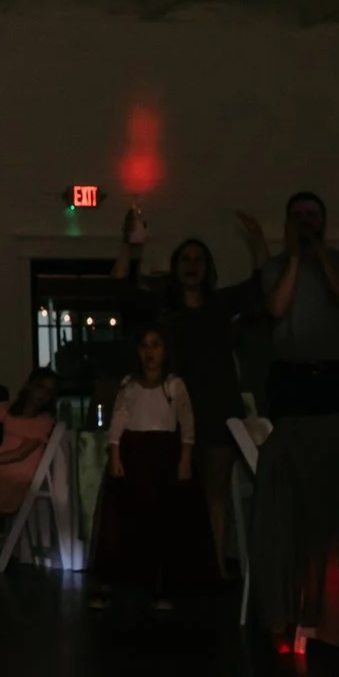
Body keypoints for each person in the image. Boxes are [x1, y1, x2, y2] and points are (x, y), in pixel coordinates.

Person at [117, 212, 259, 572]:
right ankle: (175, 571)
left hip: (217, 410)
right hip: (172, 414)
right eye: (185, 259)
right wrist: (128, 245)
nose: (191, 265)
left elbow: (260, 285)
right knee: (171, 494)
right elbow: (120, 290)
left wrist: (258, 239)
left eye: (198, 259)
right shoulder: (164, 308)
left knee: (215, 494)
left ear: (207, 268)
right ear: (176, 266)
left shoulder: (220, 304)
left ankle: (216, 570)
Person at [89, 325, 216, 610]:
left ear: (165, 350)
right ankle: (114, 583)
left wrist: (185, 457)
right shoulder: (129, 385)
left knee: (164, 520)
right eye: (144, 346)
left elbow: (187, 421)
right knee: (124, 520)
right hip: (134, 454)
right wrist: (116, 455)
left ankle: (162, 584)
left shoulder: (174, 385)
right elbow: (118, 420)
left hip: (164, 455)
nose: (149, 352)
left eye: (155, 345)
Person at [255, 192, 339, 418]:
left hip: (337, 375)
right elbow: (277, 308)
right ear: (287, 223)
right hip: (291, 377)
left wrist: (321, 255)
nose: (304, 221)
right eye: (297, 216)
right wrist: (294, 257)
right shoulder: (275, 266)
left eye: (311, 215)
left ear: (323, 221)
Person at [0, 366, 59, 530]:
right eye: (40, 387)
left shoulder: (43, 421)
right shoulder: (5, 409)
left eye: (49, 391)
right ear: (29, 385)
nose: (43, 394)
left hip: (19, 470)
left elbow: (20, 454)